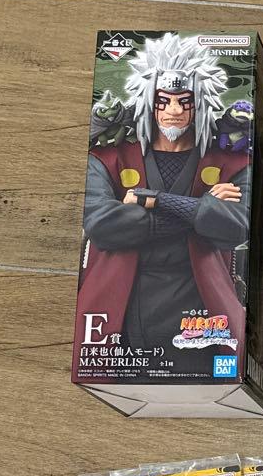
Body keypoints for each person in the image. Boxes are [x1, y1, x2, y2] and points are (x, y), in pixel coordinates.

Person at [77, 33, 250, 375]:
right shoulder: (108, 156)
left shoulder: (232, 161)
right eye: (163, 101)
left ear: (201, 102)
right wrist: (200, 210)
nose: (174, 111)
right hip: (120, 304)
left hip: (203, 306)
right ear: (146, 100)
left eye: (185, 101)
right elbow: (102, 225)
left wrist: (153, 199)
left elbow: (236, 227)